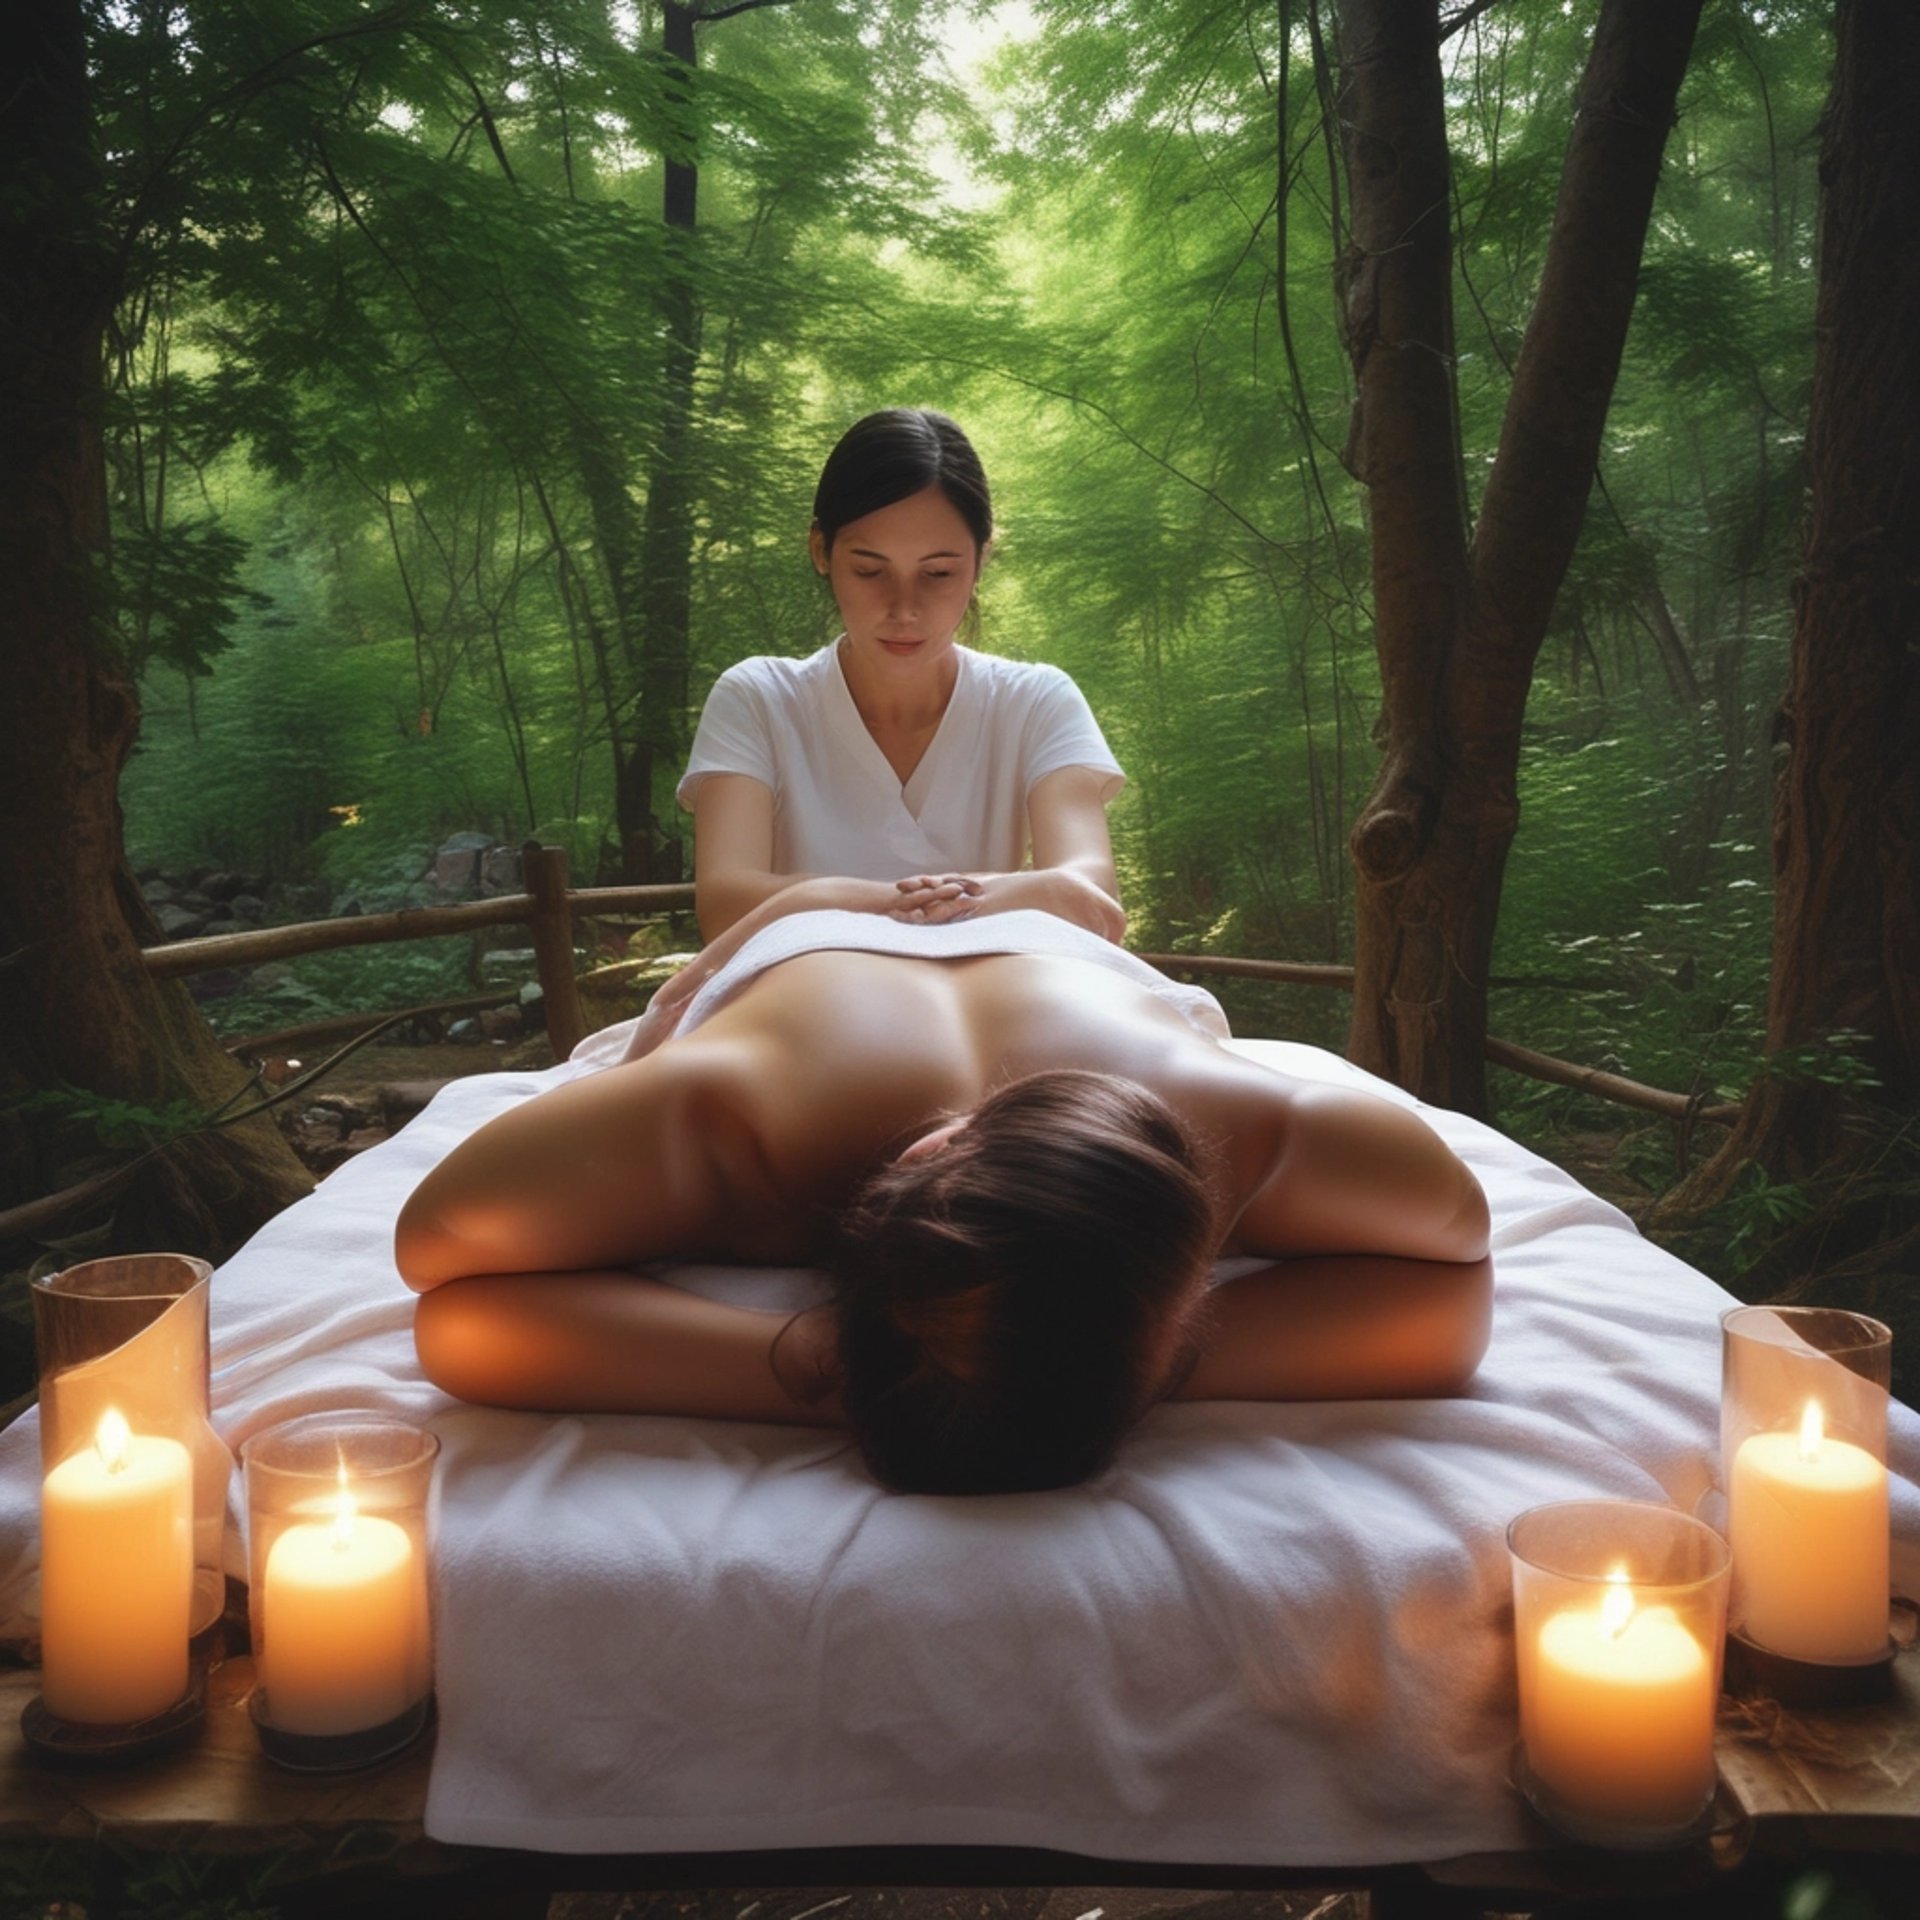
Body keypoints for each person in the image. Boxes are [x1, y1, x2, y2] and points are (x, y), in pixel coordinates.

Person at [396, 916, 1494, 1496]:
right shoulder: (728, 1122)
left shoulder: (1242, 1127)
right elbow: (438, 1274)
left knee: (1066, 893)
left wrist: (848, 1373)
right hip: (809, 934)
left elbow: (456, 1301)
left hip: (1055, 940)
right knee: (802, 897)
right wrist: (1093, 1373)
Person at [680, 408, 1126, 946]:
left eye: (938, 574)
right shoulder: (759, 699)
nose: (904, 608)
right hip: (806, 995)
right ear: (821, 551)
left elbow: (1090, 896)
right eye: (870, 571)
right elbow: (727, 905)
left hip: (990, 992)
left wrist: (846, 901)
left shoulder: (1035, 701)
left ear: (982, 558)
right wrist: (917, 901)